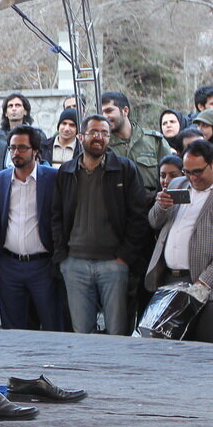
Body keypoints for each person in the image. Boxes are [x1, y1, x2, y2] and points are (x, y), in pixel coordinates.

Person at [144, 139, 213, 344]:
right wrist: (162, 207)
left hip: (210, 287)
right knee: (164, 349)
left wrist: (203, 282)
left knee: (208, 351)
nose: (192, 178)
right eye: (187, 171)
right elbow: (154, 222)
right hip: (170, 280)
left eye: (197, 172)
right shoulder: (178, 183)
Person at [50, 115, 148, 335]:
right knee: (81, 333)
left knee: (117, 332)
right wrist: (62, 256)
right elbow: (55, 216)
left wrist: (124, 257)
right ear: (81, 136)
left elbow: (138, 216)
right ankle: (86, 370)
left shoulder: (125, 169)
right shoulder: (66, 172)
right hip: (74, 264)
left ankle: (115, 370)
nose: (100, 138)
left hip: (114, 265)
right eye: (94, 132)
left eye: (105, 133)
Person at [0, 126, 62, 332]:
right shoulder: (1, 179)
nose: (16, 153)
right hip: (9, 265)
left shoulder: (52, 178)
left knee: (52, 325)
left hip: (43, 265)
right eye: (12, 148)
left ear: (35, 150)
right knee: (12, 329)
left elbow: (61, 219)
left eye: (22, 147)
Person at [100, 90, 171, 195]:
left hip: (152, 206)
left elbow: (172, 175)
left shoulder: (154, 141)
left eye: (109, 111)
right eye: (102, 113)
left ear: (125, 110)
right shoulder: (102, 145)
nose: (105, 116)